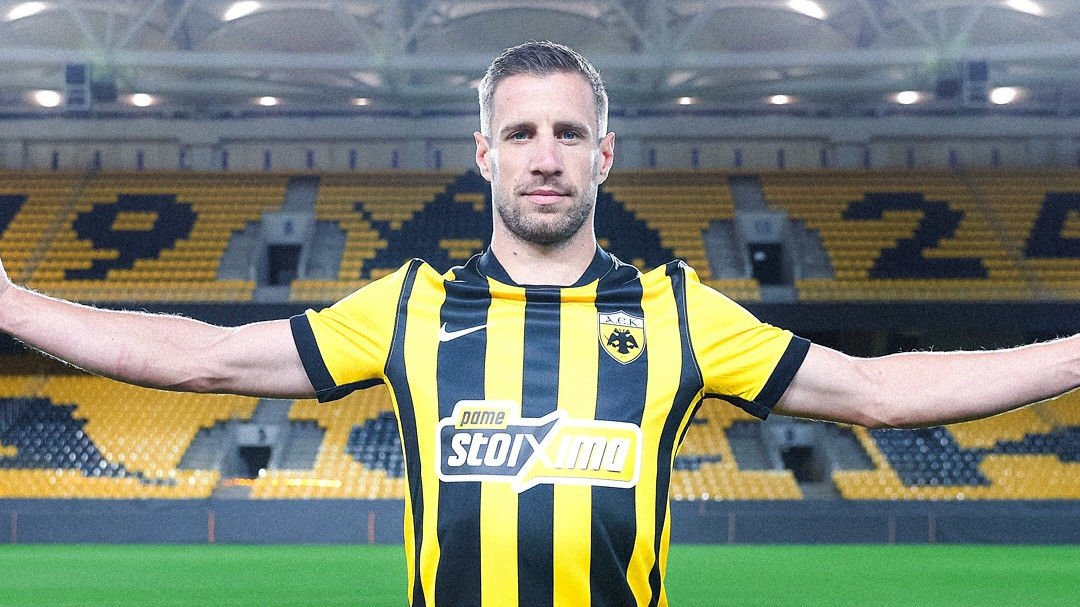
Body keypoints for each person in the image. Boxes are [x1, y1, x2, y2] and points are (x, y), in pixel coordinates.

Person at [0, 40, 1077, 606]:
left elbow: (880, 391)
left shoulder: (678, 310)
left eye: (568, 133)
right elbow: (202, 358)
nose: (546, 156)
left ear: (606, 155)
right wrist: (9, 301)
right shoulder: (410, 306)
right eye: (520, 133)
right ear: (485, 155)